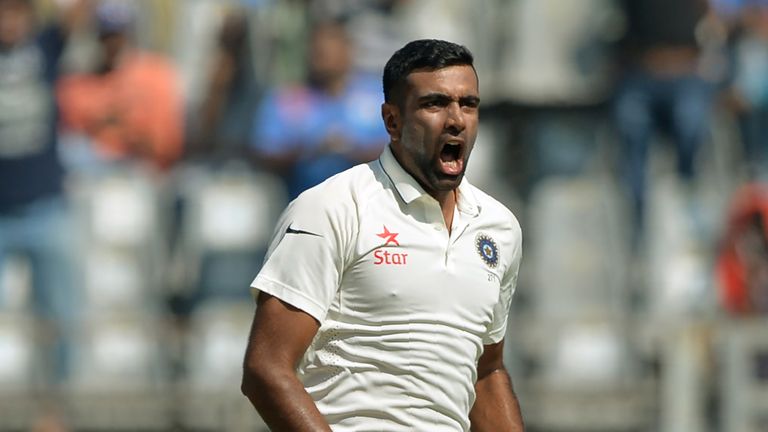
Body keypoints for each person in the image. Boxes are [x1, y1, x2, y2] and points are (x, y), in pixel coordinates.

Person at [241, 39, 525, 431]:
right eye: (434, 104)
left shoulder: (499, 227)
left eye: (469, 104)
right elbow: (266, 368)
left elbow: (486, 372)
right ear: (392, 121)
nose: (456, 119)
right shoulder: (334, 206)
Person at [250, 19, 389, 199]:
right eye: (316, 48)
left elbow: (399, 148)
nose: (320, 54)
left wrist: (350, 150)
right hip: (304, 204)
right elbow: (265, 153)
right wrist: (311, 150)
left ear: (349, 49)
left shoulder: (378, 94)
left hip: (367, 204)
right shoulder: (287, 98)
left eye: (329, 47)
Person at [57, 0, 184, 172]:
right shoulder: (78, 82)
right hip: (92, 174)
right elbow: (71, 138)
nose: (113, 44)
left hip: (143, 175)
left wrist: (126, 129)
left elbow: (167, 146)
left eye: (119, 35)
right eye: (106, 36)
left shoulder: (157, 74)